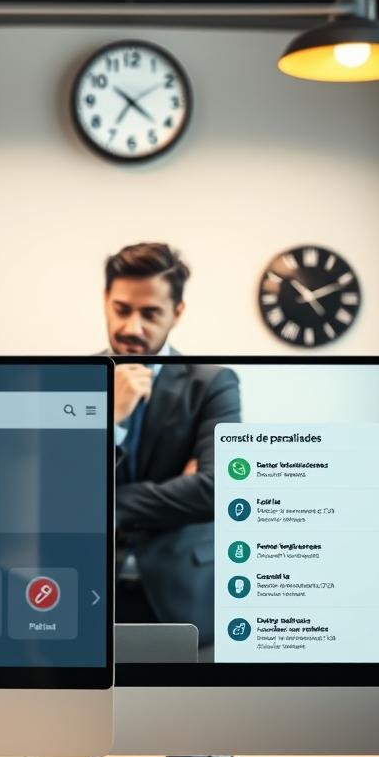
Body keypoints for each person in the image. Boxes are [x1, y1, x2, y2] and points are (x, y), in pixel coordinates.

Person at [103, 243, 241, 647]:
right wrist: (108, 420)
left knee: (189, 712)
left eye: (150, 313)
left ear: (177, 312)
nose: (132, 327)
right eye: (122, 309)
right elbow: (50, 493)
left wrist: (104, 504)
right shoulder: (70, 380)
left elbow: (218, 490)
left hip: (184, 599)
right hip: (88, 596)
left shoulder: (213, 384)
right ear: (105, 301)